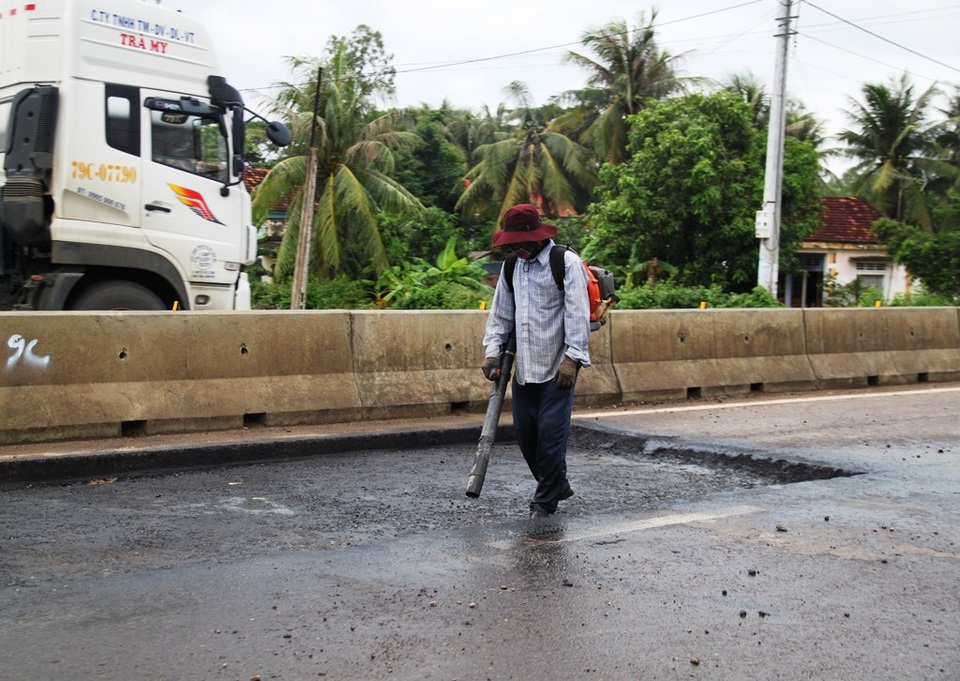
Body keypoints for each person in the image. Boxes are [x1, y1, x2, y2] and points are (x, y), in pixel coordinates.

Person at [481, 203, 591, 518]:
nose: (517, 248)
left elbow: (577, 313)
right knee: (527, 436)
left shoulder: (565, 262)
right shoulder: (512, 267)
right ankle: (557, 484)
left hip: (558, 367)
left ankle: (544, 501)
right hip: (524, 369)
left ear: (538, 236)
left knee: (550, 437)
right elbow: (500, 314)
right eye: (512, 244)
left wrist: (573, 359)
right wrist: (492, 351)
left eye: (521, 242)